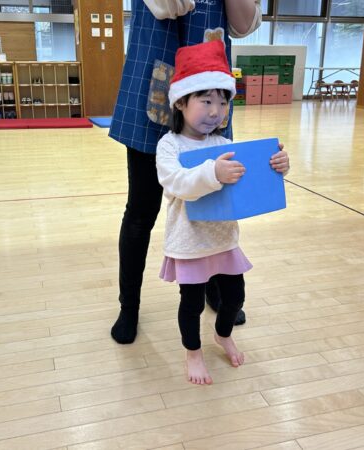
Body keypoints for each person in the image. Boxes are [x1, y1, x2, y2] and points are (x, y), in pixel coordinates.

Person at [109, 0, 264, 344]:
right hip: (154, 79)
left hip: (209, 93)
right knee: (141, 211)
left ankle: (212, 286)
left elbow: (244, 23)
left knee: (213, 202)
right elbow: (167, 5)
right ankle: (129, 305)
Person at [155, 40, 290, 385]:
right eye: (206, 101)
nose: (216, 111)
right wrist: (212, 173)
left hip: (224, 239)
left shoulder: (222, 143)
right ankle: (193, 352)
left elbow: (249, 177)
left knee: (234, 297)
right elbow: (177, 183)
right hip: (189, 242)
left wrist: (276, 166)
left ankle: (223, 334)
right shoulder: (169, 145)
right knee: (191, 304)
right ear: (181, 102)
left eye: (223, 101)